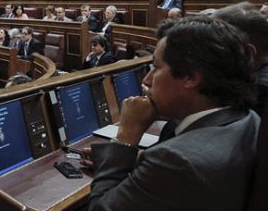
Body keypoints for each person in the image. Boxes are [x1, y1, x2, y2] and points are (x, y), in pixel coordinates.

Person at [85, 17, 260, 211]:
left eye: (157, 68)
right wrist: (137, 166)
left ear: (190, 77)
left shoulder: (175, 161)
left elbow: (99, 208)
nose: (147, 79)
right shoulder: (249, 118)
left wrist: (125, 137)